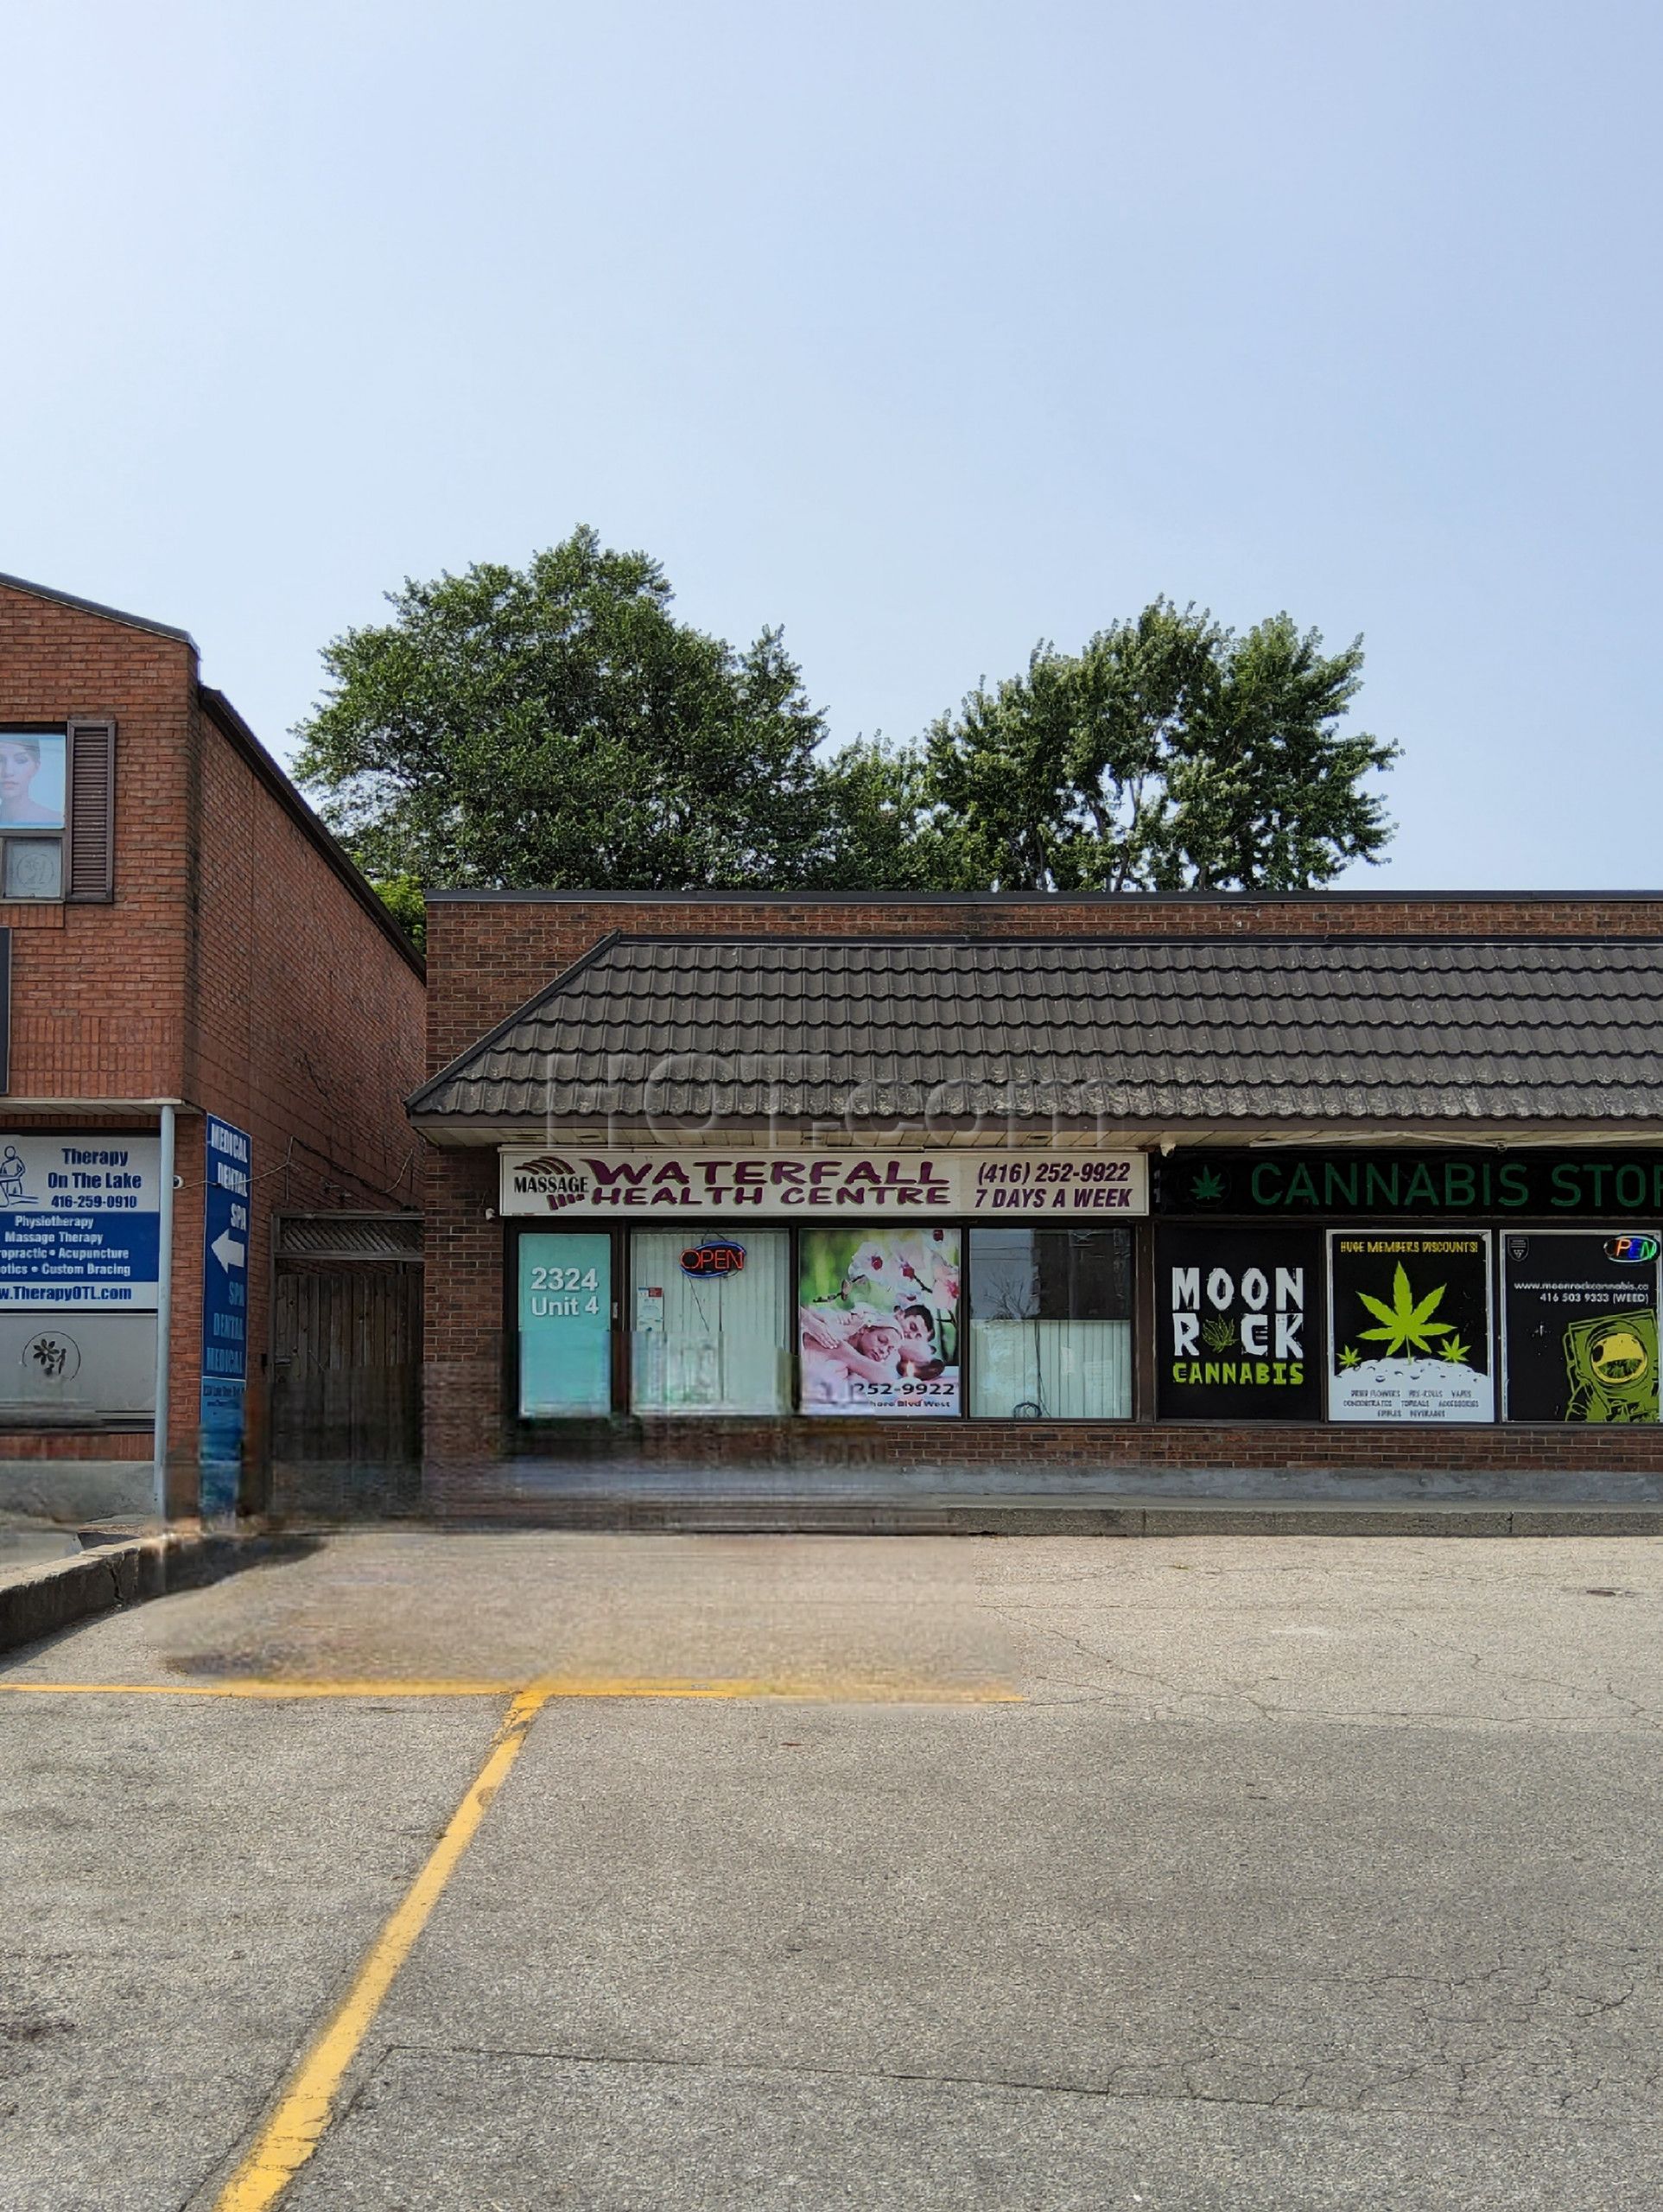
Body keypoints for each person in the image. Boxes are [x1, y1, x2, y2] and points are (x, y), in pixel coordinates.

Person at [0, 736, 60, 825]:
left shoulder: (57, 820)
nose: (8, 772)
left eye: (21, 760)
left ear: (35, 768)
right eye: (0, 760)